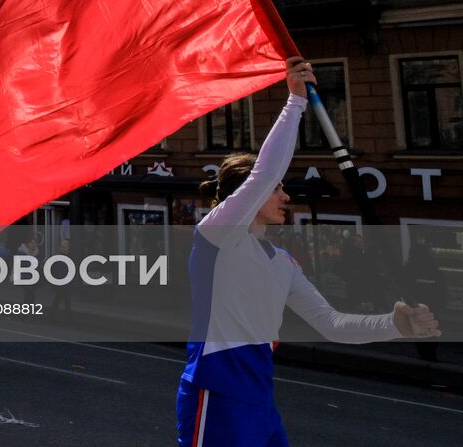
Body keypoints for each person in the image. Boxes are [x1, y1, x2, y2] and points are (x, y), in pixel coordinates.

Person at [177, 59, 441, 447]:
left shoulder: (283, 263)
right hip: (217, 395)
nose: (286, 196)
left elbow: (330, 324)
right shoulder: (217, 239)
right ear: (244, 198)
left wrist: (394, 325)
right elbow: (263, 174)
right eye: (277, 190)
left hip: (260, 402)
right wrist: (295, 101)